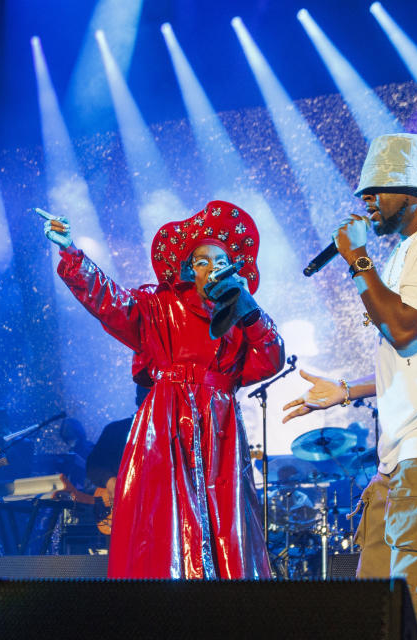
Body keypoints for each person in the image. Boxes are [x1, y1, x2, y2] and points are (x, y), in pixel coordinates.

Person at [282, 133, 417, 639]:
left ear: (413, 188)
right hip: (401, 455)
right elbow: (415, 359)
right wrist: (347, 390)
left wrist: (358, 261)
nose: (366, 204)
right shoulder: (407, 250)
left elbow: (403, 329)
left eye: (375, 191)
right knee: (379, 611)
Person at [36, 200, 284, 579]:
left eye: (220, 261)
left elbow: (269, 361)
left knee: (224, 520)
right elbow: (110, 302)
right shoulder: (159, 306)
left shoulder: (242, 316)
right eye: (202, 261)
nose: (212, 268)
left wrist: (249, 310)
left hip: (220, 428)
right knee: (164, 521)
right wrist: (72, 252)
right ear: (188, 269)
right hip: (166, 424)